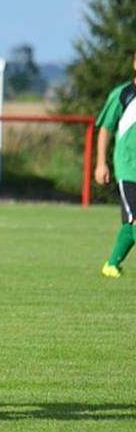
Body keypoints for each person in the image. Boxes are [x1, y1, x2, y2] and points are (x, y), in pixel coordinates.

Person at [95, 51, 136, 278]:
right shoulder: (123, 95)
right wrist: (101, 163)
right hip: (129, 168)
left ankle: (111, 264)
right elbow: (106, 128)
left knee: (130, 225)